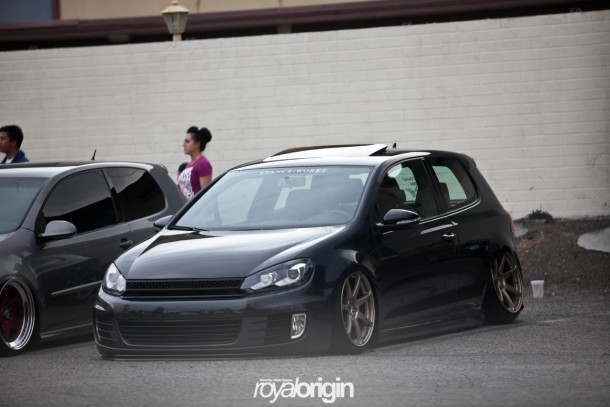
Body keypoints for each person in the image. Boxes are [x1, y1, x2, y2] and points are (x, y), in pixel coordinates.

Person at [177, 126, 213, 199]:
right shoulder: (189, 165)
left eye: (187, 141)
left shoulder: (203, 164)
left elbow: (206, 195)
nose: (183, 144)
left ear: (197, 144)